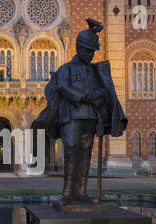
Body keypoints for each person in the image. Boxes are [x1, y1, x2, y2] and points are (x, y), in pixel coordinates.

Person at [36, 18, 127, 206]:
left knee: (86, 154)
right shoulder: (65, 69)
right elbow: (62, 87)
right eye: (87, 50)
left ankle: (82, 193)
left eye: (92, 51)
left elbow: (105, 90)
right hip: (72, 117)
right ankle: (68, 194)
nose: (90, 55)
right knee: (71, 151)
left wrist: (100, 95)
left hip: (91, 117)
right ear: (78, 47)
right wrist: (86, 97)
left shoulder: (96, 71)